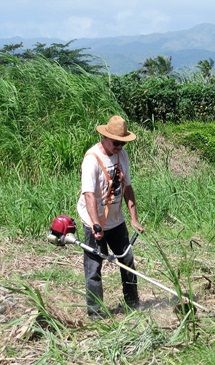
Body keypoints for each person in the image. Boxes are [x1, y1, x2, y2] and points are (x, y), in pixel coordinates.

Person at [76, 115, 145, 318]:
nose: (120, 147)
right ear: (104, 138)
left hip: (116, 220)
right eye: (116, 143)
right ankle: (95, 313)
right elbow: (88, 194)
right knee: (94, 267)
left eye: (123, 143)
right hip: (94, 221)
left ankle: (133, 304)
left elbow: (128, 188)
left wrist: (134, 218)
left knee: (127, 259)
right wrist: (96, 224)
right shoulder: (92, 160)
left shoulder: (121, 156)